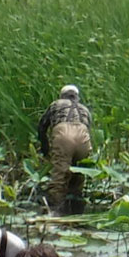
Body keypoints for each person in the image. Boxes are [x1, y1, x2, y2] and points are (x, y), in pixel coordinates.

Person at [37, 84, 93, 215]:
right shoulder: (84, 109)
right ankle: (76, 209)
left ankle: (56, 211)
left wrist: (45, 150)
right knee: (79, 174)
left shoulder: (56, 104)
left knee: (59, 177)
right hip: (83, 135)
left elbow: (42, 127)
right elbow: (88, 129)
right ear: (77, 96)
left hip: (64, 134)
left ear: (62, 95)